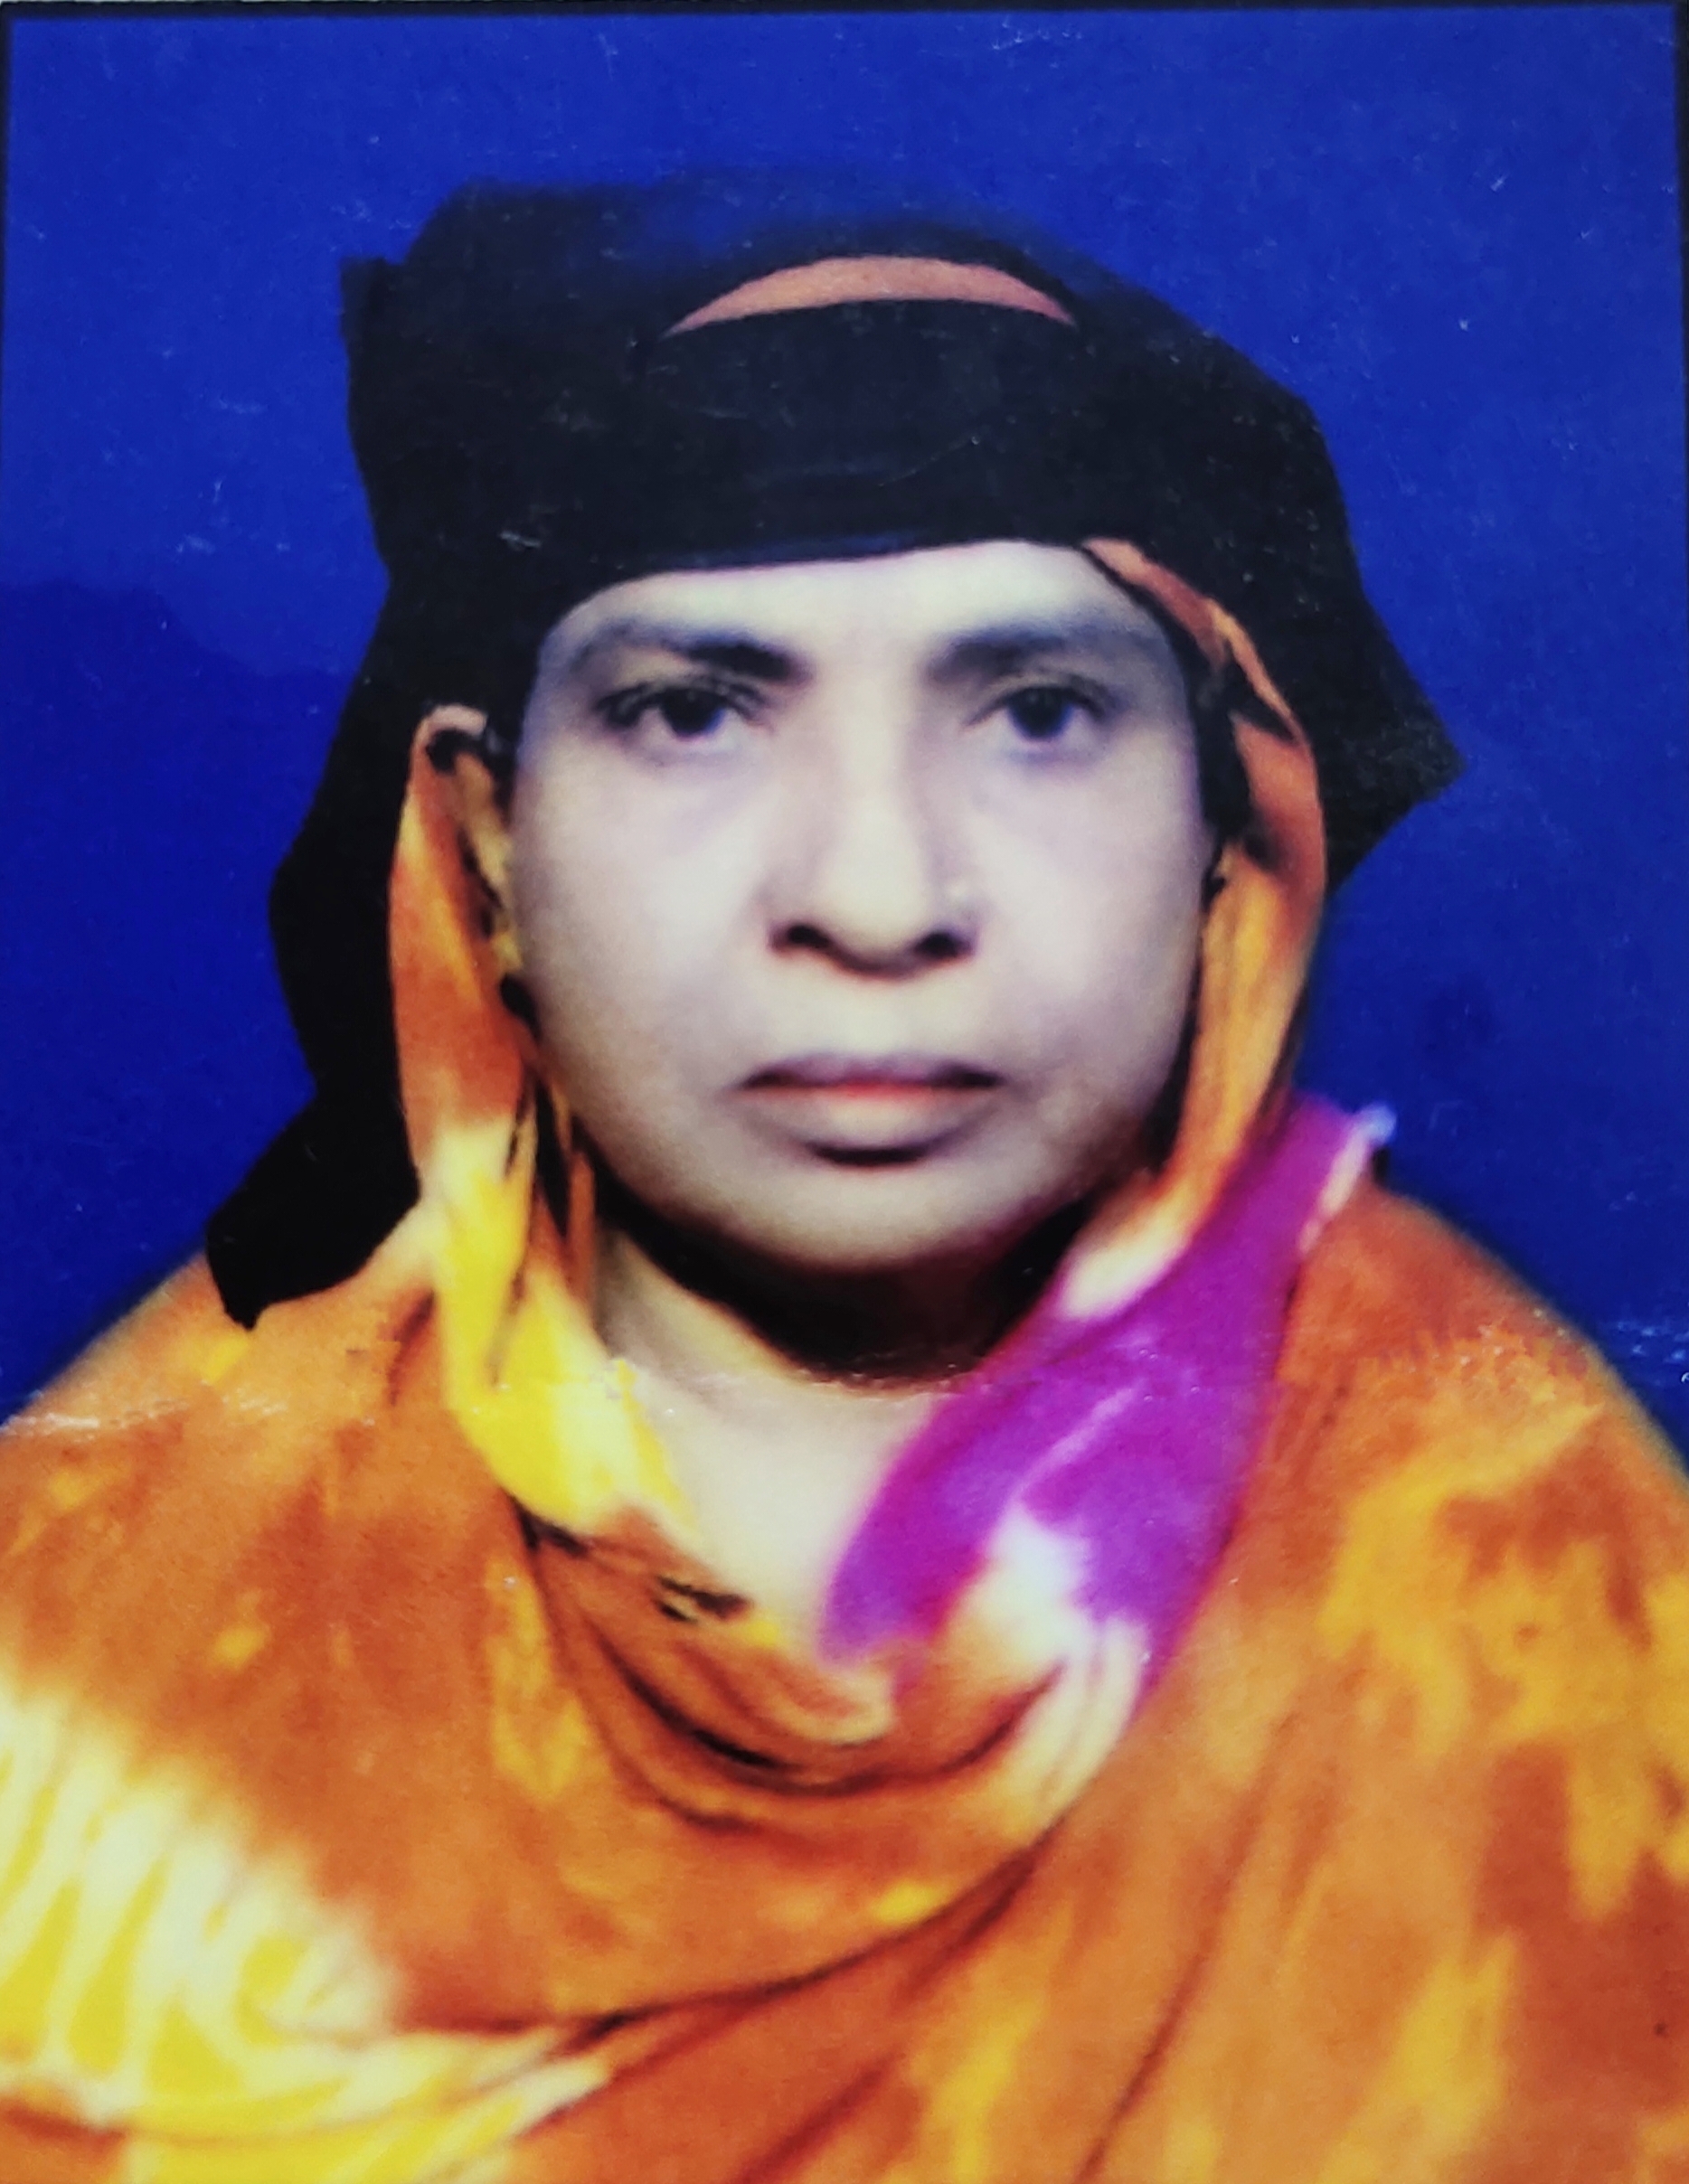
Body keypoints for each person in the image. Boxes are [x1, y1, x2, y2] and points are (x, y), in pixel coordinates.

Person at [1, 173, 1685, 2183]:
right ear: (486, 848)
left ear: (1237, 834)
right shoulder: (96, 1604)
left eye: (1039, 713)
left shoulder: (1533, 1572)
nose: (876, 897)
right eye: (693, 712)